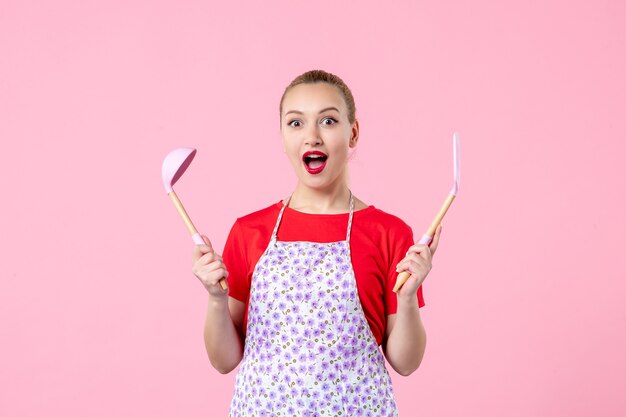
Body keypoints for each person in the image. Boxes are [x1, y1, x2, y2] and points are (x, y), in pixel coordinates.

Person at [192, 69, 442, 417]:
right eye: (296, 123)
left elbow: (406, 362)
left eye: (328, 120)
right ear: (282, 136)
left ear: (352, 133)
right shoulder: (249, 232)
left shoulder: (389, 233)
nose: (312, 137)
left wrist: (408, 297)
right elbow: (224, 361)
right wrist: (216, 300)